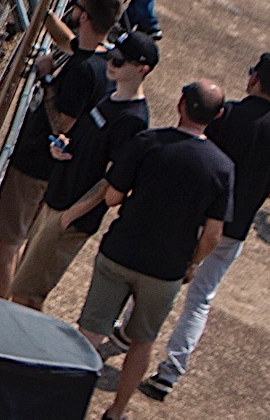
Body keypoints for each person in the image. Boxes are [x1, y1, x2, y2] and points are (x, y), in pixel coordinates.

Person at [146, 53, 270, 399]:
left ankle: (127, 331)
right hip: (235, 228)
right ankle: (169, 373)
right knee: (200, 298)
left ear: (255, 79)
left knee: (157, 274)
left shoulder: (224, 113)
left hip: (195, 215)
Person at [79, 82, 233, 420]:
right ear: (218, 116)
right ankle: (116, 411)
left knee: (91, 331)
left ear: (180, 104)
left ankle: (69, 400)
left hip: (120, 251)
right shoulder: (222, 167)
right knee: (142, 341)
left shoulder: (148, 142)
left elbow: (113, 196)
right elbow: (213, 234)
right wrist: (192, 264)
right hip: (165, 269)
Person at [0, 0, 122, 299]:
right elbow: (67, 41)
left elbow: (63, 125)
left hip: (35, 166)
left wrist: (46, 78)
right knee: (24, 244)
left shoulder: (81, 71)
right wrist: (42, 7)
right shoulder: (106, 59)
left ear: (85, 16)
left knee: (9, 243)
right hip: (61, 173)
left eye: (78, 6)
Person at [11, 29, 157, 308]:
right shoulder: (112, 97)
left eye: (119, 61)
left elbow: (112, 180)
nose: (111, 64)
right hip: (56, 199)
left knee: (26, 294)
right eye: (112, 57)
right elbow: (85, 142)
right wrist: (64, 145)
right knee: (22, 285)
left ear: (142, 69)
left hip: (70, 215)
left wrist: (69, 216)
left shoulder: (133, 120)